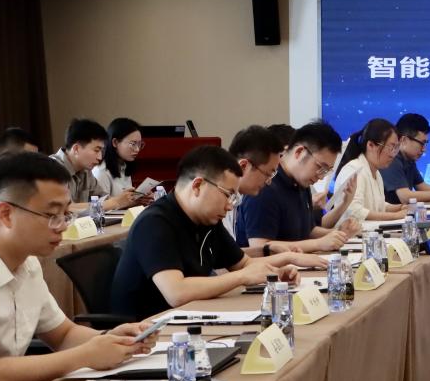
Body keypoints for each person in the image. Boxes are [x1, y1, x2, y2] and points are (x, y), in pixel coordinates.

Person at [0, 153, 155, 381]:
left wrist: (110, 338)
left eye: (66, 214)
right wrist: (85, 356)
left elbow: (63, 334)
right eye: (52, 215)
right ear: (5, 214)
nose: (63, 226)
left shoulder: (28, 263)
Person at [110, 146, 303, 321]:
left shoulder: (207, 219)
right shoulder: (154, 222)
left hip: (190, 318)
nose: (230, 206)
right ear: (197, 186)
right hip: (146, 331)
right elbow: (176, 292)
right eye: (228, 195)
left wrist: (274, 273)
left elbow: (243, 264)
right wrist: (242, 277)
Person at [237, 121, 357, 252]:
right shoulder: (265, 185)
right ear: (299, 152)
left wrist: (337, 234)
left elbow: (307, 231)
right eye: (320, 167)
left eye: (327, 171)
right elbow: (259, 246)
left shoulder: (301, 182)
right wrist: (317, 244)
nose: (321, 177)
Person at [225, 126, 330, 267]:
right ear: (244, 166)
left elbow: (232, 258)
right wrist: (288, 257)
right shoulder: (223, 202)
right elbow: (222, 267)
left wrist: (268, 250)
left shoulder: (233, 199)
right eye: (268, 174)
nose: (269, 181)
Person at [50, 119, 139, 212]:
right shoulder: (52, 169)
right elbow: (65, 208)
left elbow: (103, 199)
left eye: (101, 151)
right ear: (76, 149)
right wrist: (114, 202)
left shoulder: (85, 171)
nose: (100, 157)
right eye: (96, 150)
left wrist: (127, 200)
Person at [383, 113, 430, 204]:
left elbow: (422, 187)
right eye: (422, 143)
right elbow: (405, 197)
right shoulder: (391, 159)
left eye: (425, 144)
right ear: (404, 140)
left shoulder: (409, 159)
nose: (424, 149)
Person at [93, 117, 150, 208]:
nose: (137, 149)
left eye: (139, 144)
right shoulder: (101, 171)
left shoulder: (124, 165)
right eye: (133, 144)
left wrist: (140, 198)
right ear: (115, 142)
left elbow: (126, 201)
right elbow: (100, 207)